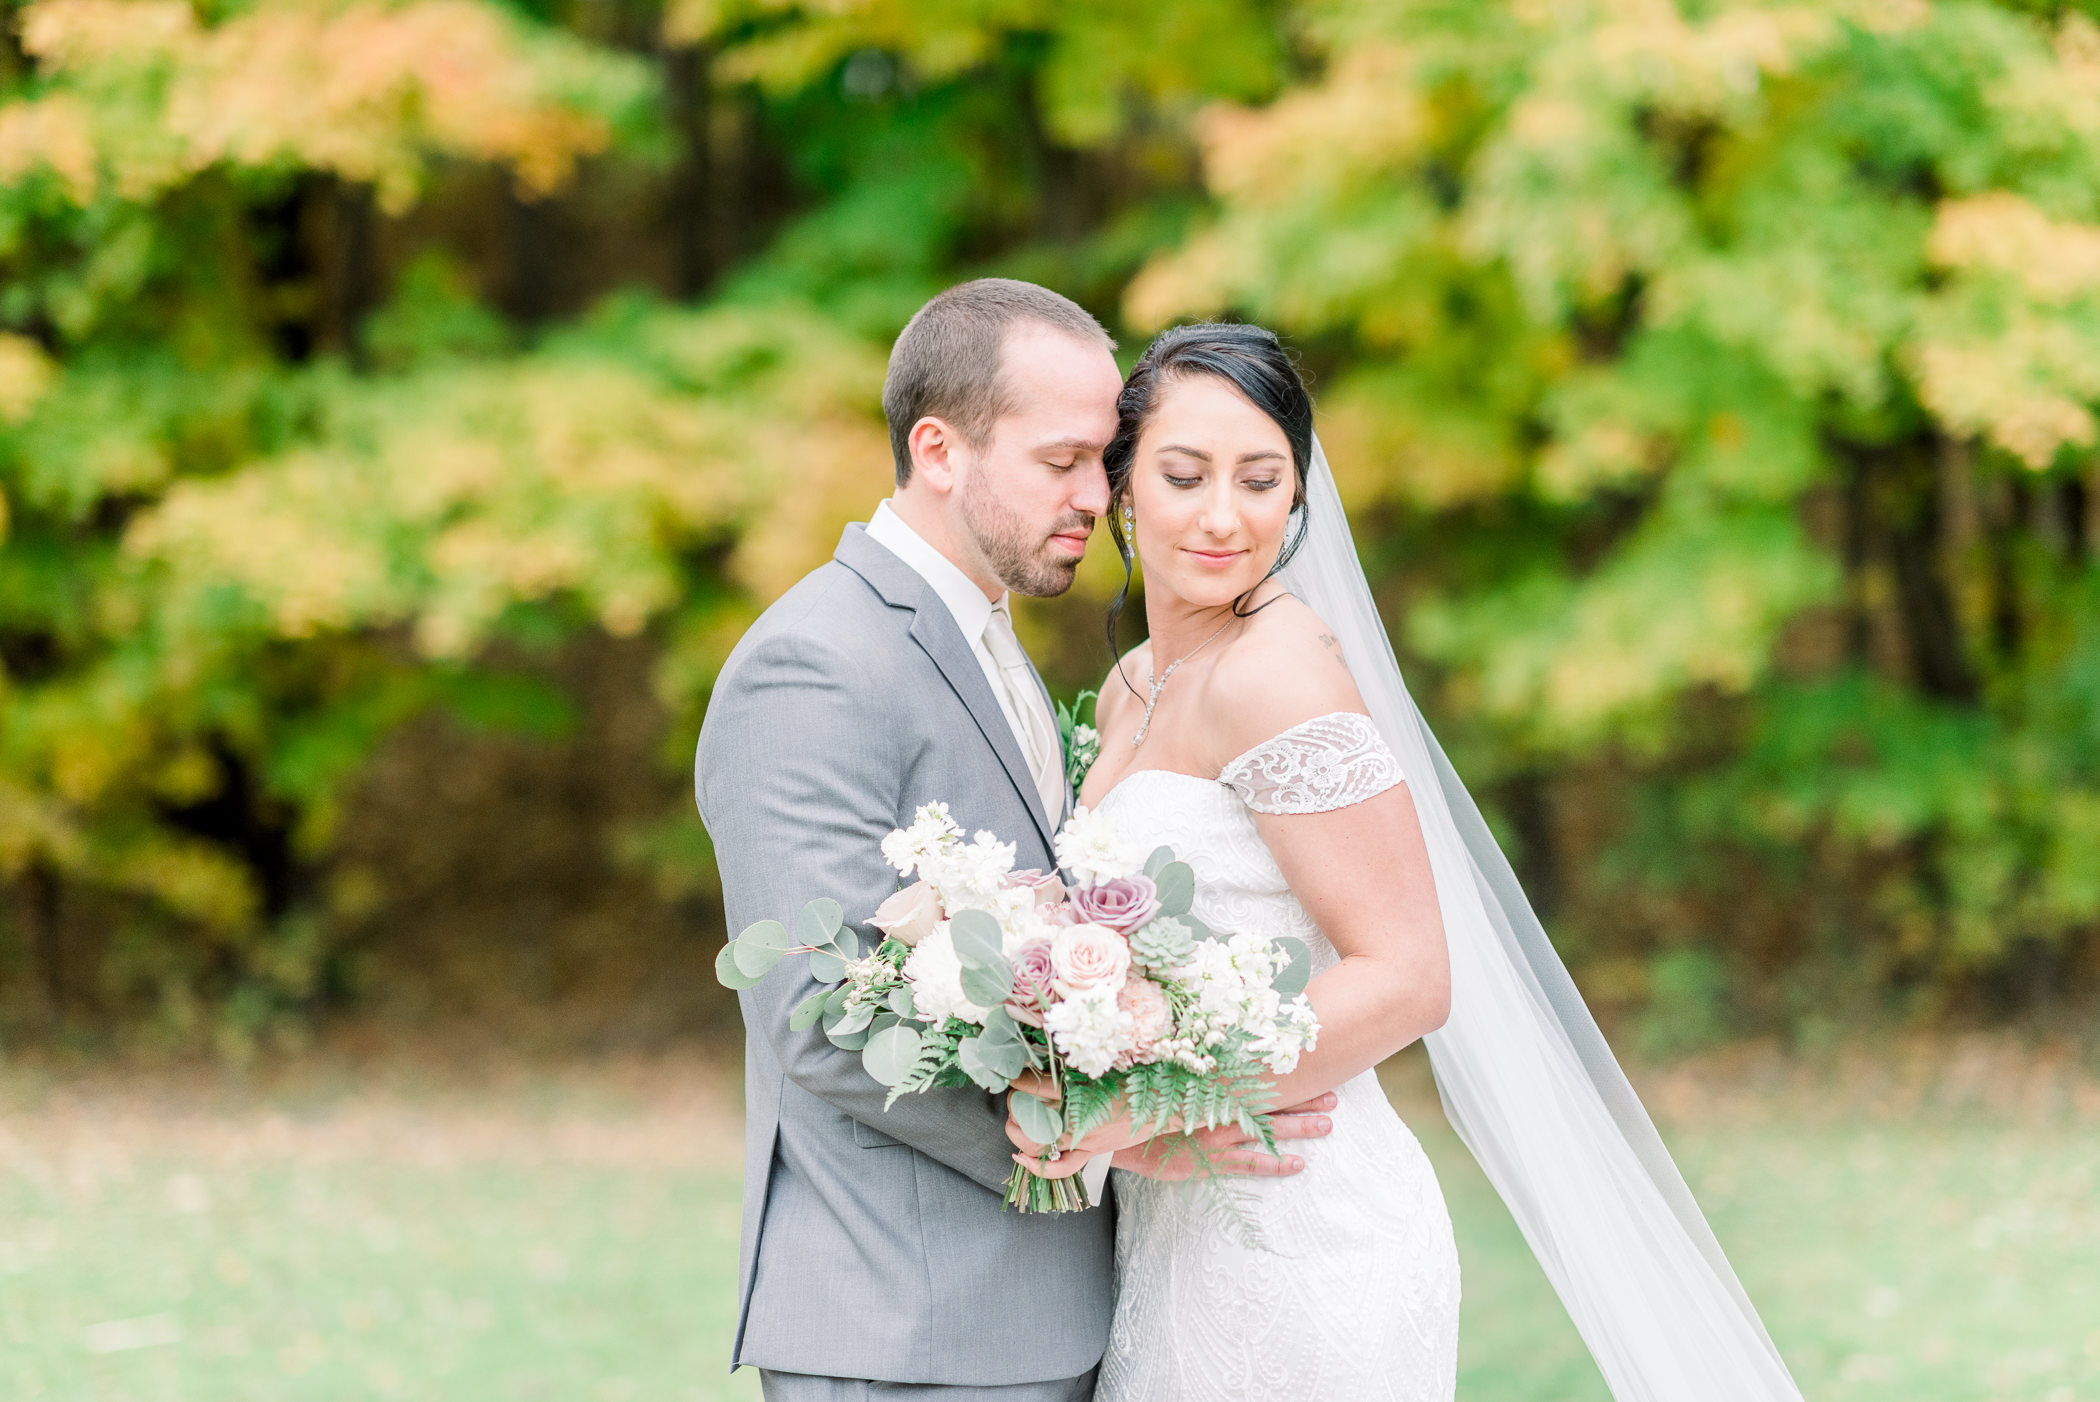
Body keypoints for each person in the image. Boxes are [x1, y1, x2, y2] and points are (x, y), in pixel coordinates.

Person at [1007, 323, 1807, 1402]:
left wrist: (1156, 1103)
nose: (1221, 514)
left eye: (1260, 479)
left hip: (1304, 1229)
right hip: (1177, 1227)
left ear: (1297, 501)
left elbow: (1411, 974)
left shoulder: (1277, 672)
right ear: (1125, 489)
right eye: (1184, 474)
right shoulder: (1133, 684)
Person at [694, 282, 1334, 1402]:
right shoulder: (815, 661)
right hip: (913, 1327)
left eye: (1104, 459)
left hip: (1050, 1309)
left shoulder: (993, 641)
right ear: (939, 450)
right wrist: (1107, 1137)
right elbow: (815, 1016)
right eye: (1063, 461)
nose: (1101, 494)